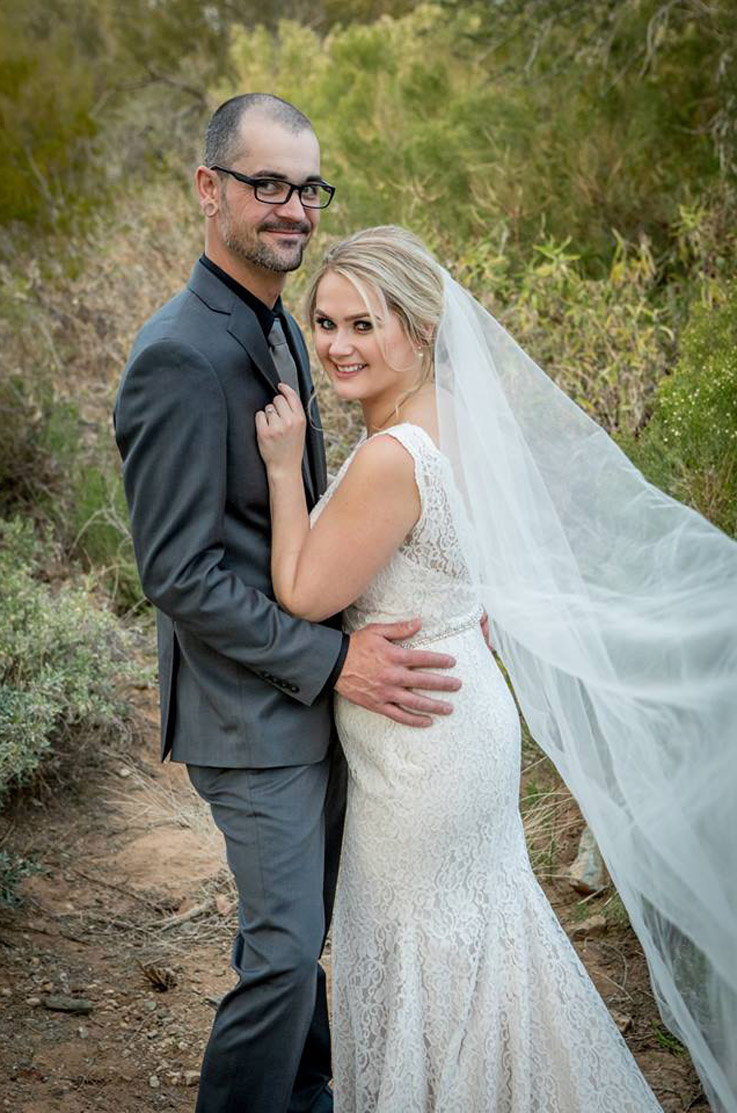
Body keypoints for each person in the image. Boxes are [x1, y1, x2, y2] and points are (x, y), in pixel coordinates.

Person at [256, 225, 737, 1112]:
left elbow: (301, 595)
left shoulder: (390, 456)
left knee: (418, 946)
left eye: (365, 324)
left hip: (420, 744)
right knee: (481, 938)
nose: (336, 345)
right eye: (324, 322)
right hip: (459, 707)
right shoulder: (459, 427)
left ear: (420, 327)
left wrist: (286, 471)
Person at [113, 98, 463, 1113]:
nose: (293, 208)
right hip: (249, 716)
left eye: (308, 188)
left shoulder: (273, 323)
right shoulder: (180, 355)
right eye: (268, 184)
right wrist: (332, 662)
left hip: (311, 700)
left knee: (305, 933)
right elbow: (178, 573)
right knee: (277, 958)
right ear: (208, 189)